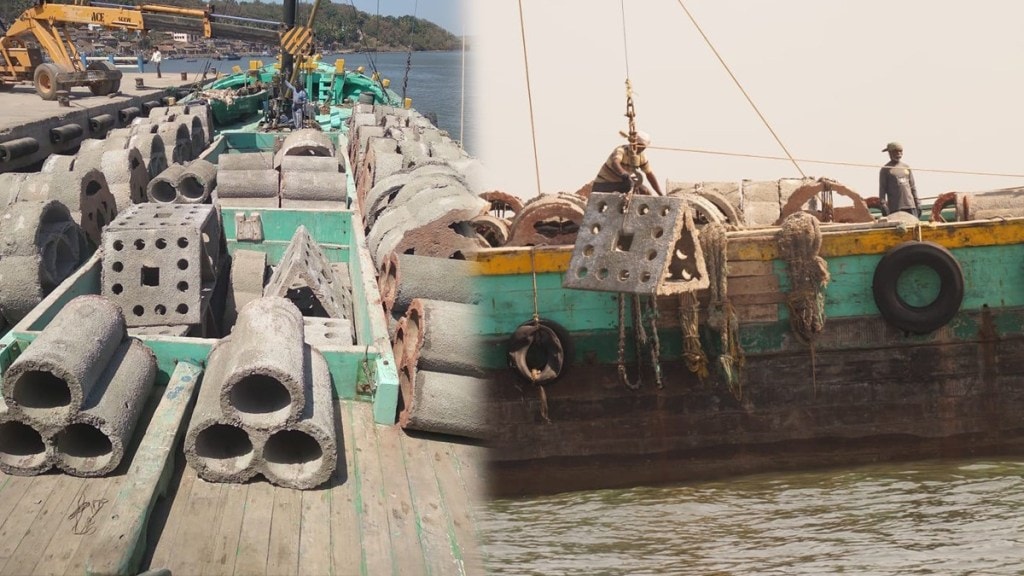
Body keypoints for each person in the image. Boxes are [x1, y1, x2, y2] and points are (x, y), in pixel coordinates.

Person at [592, 130, 664, 196]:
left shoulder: (641, 156)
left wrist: (660, 194)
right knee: (629, 186)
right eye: (640, 146)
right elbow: (615, 163)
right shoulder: (621, 150)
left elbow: (649, 174)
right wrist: (623, 173)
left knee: (644, 191)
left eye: (643, 147)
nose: (641, 149)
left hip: (622, 184)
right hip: (603, 185)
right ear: (633, 143)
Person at [878, 141, 920, 217]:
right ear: (890, 153)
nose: (898, 154)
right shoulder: (885, 169)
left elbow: (912, 186)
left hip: (910, 205)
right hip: (896, 207)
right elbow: (882, 188)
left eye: (900, 151)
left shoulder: (906, 167)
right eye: (895, 152)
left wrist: (917, 201)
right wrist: (883, 204)